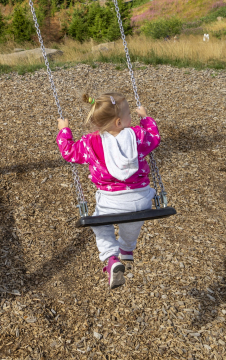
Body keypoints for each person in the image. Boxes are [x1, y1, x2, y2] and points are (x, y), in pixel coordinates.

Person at [57, 92, 161, 290]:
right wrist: (146, 119)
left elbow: (68, 152)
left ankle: (112, 257)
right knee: (134, 216)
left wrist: (64, 130)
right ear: (119, 121)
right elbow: (155, 138)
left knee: (100, 223)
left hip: (110, 200)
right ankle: (127, 249)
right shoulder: (137, 135)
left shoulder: (90, 142)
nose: (133, 117)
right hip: (142, 198)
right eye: (130, 114)